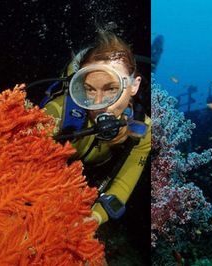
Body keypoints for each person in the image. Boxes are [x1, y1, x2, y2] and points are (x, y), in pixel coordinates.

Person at [42, 31, 151, 225]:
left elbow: (124, 183)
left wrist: (95, 217)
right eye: (90, 89)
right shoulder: (60, 112)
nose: (100, 104)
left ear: (134, 86)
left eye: (111, 88)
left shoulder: (142, 129)